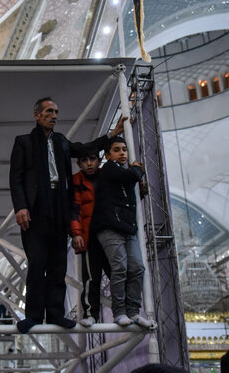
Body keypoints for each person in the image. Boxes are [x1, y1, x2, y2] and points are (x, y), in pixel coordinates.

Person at [9, 97, 125, 333]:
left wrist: (112, 134)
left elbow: (85, 148)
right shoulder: (23, 142)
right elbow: (16, 178)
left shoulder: (61, 141)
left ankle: (54, 314)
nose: (54, 115)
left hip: (59, 207)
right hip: (35, 209)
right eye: (49, 111)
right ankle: (32, 315)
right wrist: (21, 207)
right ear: (37, 115)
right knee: (37, 264)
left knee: (58, 265)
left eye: (56, 111)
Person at [91, 136, 153, 328]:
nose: (122, 153)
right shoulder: (110, 169)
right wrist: (136, 169)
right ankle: (119, 312)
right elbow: (131, 176)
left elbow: (126, 190)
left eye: (124, 149)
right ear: (108, 155)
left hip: (127, 227)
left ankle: (133, 311)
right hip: (110, 227)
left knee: (137, 267)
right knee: (120, 268)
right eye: (117, 150)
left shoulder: (121, 175)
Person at [70, 149, 111, 327]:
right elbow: (73, 210)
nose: (89, 163)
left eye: (92, 159)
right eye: (84, 160)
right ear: (79, 163)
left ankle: (124, 311)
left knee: (118, 274)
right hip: (89, 235)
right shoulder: (75, 182)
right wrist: (76, 233)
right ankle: (89, 314)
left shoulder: (108, 177)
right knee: (90, 279)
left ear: (99, 160)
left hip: (110, 233)